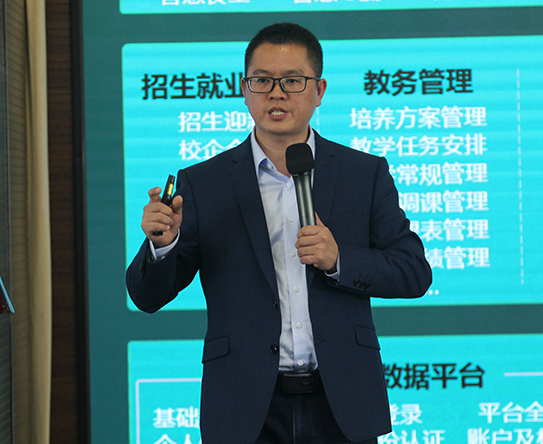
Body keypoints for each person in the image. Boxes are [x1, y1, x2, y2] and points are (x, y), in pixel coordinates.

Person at [126, 23, 432, 444]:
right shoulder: (204, 183)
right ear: (244, 89)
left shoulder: (364, 173)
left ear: (319, 90)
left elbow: (414, 272)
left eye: (292, 80)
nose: (276, 93)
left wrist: (338, 260)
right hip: (245, 406)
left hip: (341, 403)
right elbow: (147, 298)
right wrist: (162, 246)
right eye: (262, 80)